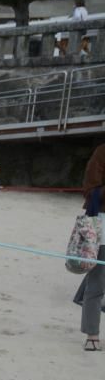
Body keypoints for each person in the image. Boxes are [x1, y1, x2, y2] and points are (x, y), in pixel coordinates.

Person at [74, 143, 105, 351]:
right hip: (101, 224)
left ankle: (79, 296)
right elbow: (91, 190)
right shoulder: (102, 152)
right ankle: (92, 334)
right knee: (98, 281)